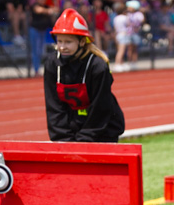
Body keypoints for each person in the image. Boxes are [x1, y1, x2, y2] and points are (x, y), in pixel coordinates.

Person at [44, 8, 125, 142]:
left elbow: (100, 107)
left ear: (82, 42)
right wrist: (63, 139)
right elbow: (54, 106)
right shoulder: (52, 64)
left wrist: (84, 140)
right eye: (60, 41)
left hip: (102, 131)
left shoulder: (97, 67)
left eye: (68, 42)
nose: (62, 47)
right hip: (72, 130)